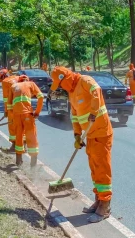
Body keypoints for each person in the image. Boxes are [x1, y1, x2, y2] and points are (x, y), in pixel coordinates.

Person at [50, 66, 113, 223]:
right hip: (89, 134)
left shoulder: (84, 80)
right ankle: (99, 199)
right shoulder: (71, 93)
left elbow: (96, 91)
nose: (61, 89)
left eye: (60, 85)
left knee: (101, 168)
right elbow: (76, 117)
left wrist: (93, 112)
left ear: (65, 78)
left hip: (101, 132)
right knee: (94, 168)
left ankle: (105, 205)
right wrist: (77, 136)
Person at [7, 75, 43, 167]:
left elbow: (9, 105)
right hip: (27, 114)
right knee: (31, 136)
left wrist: (13, 117)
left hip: (16, 115)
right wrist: (37, 112)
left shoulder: (13, 86)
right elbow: (41, 96)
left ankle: (18, 162)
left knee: (19, 136)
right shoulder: (31, 84)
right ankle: (33, 165)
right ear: (27, 80)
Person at [0, 68, 19, 152]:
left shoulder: (5, 82)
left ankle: (14, 145)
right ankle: (23, 145)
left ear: (3, 76)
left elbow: (6, 99)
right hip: (23, 106)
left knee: (12, 126)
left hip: (12, 108)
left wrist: (6, 111)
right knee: (22, 125)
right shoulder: (17, 77)